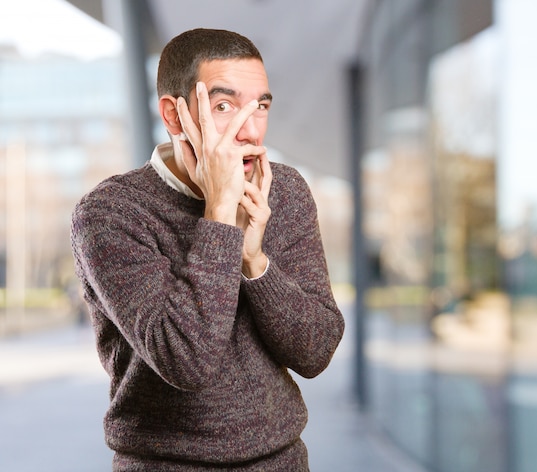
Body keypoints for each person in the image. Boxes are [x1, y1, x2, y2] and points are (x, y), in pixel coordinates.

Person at [70, 28, 344, 471]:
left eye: (260, 107)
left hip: (281, 462)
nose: (250, 129)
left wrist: (256, 265)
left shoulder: (285, 191)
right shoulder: (110, 213)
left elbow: (316, 351)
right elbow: (186, 361)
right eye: (223, 106)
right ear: (175, 117)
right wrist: (219, 215)